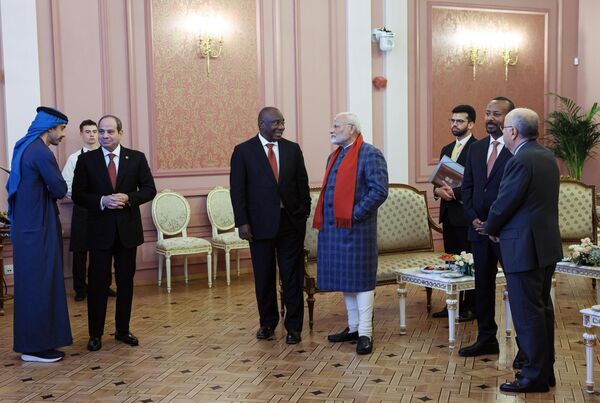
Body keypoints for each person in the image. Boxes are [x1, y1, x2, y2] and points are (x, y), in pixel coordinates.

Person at [485, 108, 561, 393]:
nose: (503, 133)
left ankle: (532, 376)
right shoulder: (545, 156)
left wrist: (491, 226)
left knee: (528, 314)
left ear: (513, 132)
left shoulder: (520, 160)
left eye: (505, 128)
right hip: (545, 245)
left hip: (523, 247)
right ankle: (545, 370)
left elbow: (505, 202)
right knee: (542, 310)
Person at [72, 114, 156, 352]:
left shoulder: (136, 158)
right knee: (98, 284)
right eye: (101, 132)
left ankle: (122, 330)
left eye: (110, 132)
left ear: (120, 133)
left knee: (125, 284)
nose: (105, 136)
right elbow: (78, 194)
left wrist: (129, 198)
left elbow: (150, 189)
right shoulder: (86, 161)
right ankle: (95, 334)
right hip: (98, 233)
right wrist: (101, 200)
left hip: (127, 233)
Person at [230, 106, 311, 344]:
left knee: (292, 277)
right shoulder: (243, 152)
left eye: (282, 122)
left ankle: (294, 327)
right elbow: (238, 191)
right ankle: (267, 323)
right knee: (264, 278)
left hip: (290, 225)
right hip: (258, 227)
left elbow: (302, 185)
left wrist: (302, 213)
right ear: (261, 124)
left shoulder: (293, 149)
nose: (281, 127)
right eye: (275, 123)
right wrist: (242, 222)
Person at [314, 112, 388, 355]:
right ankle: (354, 327)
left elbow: (379, 191)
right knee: (347, 280)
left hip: (358, 230)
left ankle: (366, 332)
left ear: (352, 128)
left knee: (362, 279)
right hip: (334, 230)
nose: (331, 130)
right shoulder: (333, 156)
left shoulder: (370, 153)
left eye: (336, 126)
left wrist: (355, 214)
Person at [6, 106, 73, 362]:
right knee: (40, 285)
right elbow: (58, 189)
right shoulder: (42, 152)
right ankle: (35, 348)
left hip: (27, 227)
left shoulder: (25, 147)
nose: (63, 134)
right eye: (62, 128)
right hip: (39, 227)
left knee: (31, 285)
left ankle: (33, 344)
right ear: (50, 128)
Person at [459, 96, 515, 357]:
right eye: (487, 113)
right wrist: (473, 218)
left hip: (505, 232)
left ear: (510, 119)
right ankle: (486, 338)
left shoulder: (516, 150)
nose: (490, 119)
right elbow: (468, 187)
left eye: (497, 114)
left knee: (516, 287)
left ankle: (523, 348)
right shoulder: (476, 148)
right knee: (482, 286)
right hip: (478, 230)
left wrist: (493, 223)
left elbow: (514, 193)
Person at [62, 119, 116, 301]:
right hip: (83, 209)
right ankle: (80, 289)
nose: (92, 134)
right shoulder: (74, 158)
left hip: (104, 209)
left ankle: (104, 285)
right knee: (80, 250)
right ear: (81, 134)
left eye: (95, 131)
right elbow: (66, 185)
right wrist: (83, 197)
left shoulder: (107, 156)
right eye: (88, 131)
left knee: (104, 248)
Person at [432, 105, 477, 322]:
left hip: (466, 214)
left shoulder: (478, 149)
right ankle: (452, 303)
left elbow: (478, 183)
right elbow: (439, 180)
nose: (454, 125)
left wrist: (455, 193)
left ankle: (470, 306)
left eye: (459, 121)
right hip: (448, 214)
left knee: (467, 261)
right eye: (452, 120)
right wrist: (437, 191)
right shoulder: (446, 149)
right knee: (451, 261)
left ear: (471, 124)